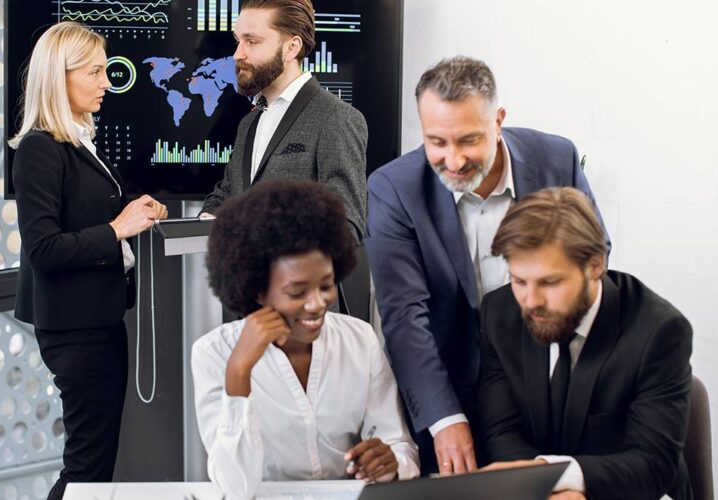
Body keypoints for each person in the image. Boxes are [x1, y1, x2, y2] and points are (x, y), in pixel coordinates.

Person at [364, 56, 610, 474]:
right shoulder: (392, 189)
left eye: (468, 140)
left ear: (498, 121)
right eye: (436, 142)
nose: (454, 161)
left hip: (547, 392)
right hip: (447, 389)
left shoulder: (557, 158)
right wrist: (444, 419)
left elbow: (592, 259)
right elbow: (405, 315)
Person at [9, 21, 167, 500]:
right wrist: (119, 229)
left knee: (94, 464)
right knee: (86, 469)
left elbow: (91, 204)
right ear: (60, 76)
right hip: (75, 330)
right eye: (95, 72)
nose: (107, 82)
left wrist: (140, 205)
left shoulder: (77, 140)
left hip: (97, 320)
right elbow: (44, 249)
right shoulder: (39, 148)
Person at [192, 180, 419, 500]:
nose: (316, 304)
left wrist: (391, 462)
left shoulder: (359, 340)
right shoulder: (214, 354)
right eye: (297, 293)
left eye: (325, 286)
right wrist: (239, 372)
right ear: (257, 289)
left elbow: (400, 447)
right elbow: (234, 488)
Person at [477, 187, 692, 500]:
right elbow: (501, 431)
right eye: (519, 281)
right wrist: (543, 487)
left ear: (595, 265)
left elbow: (652, 463)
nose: (531, 301)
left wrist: (566, 479)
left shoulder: (660, 331)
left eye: (550, 282)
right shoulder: (500, 313)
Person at [200, 0, 367, 244]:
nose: (238, 54)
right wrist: (208, 216)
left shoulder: (337, 118)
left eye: (252, 41)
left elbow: (345, 227)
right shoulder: (248, 123)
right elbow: (227, 193)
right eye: (238, 41)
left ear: (291, 48)